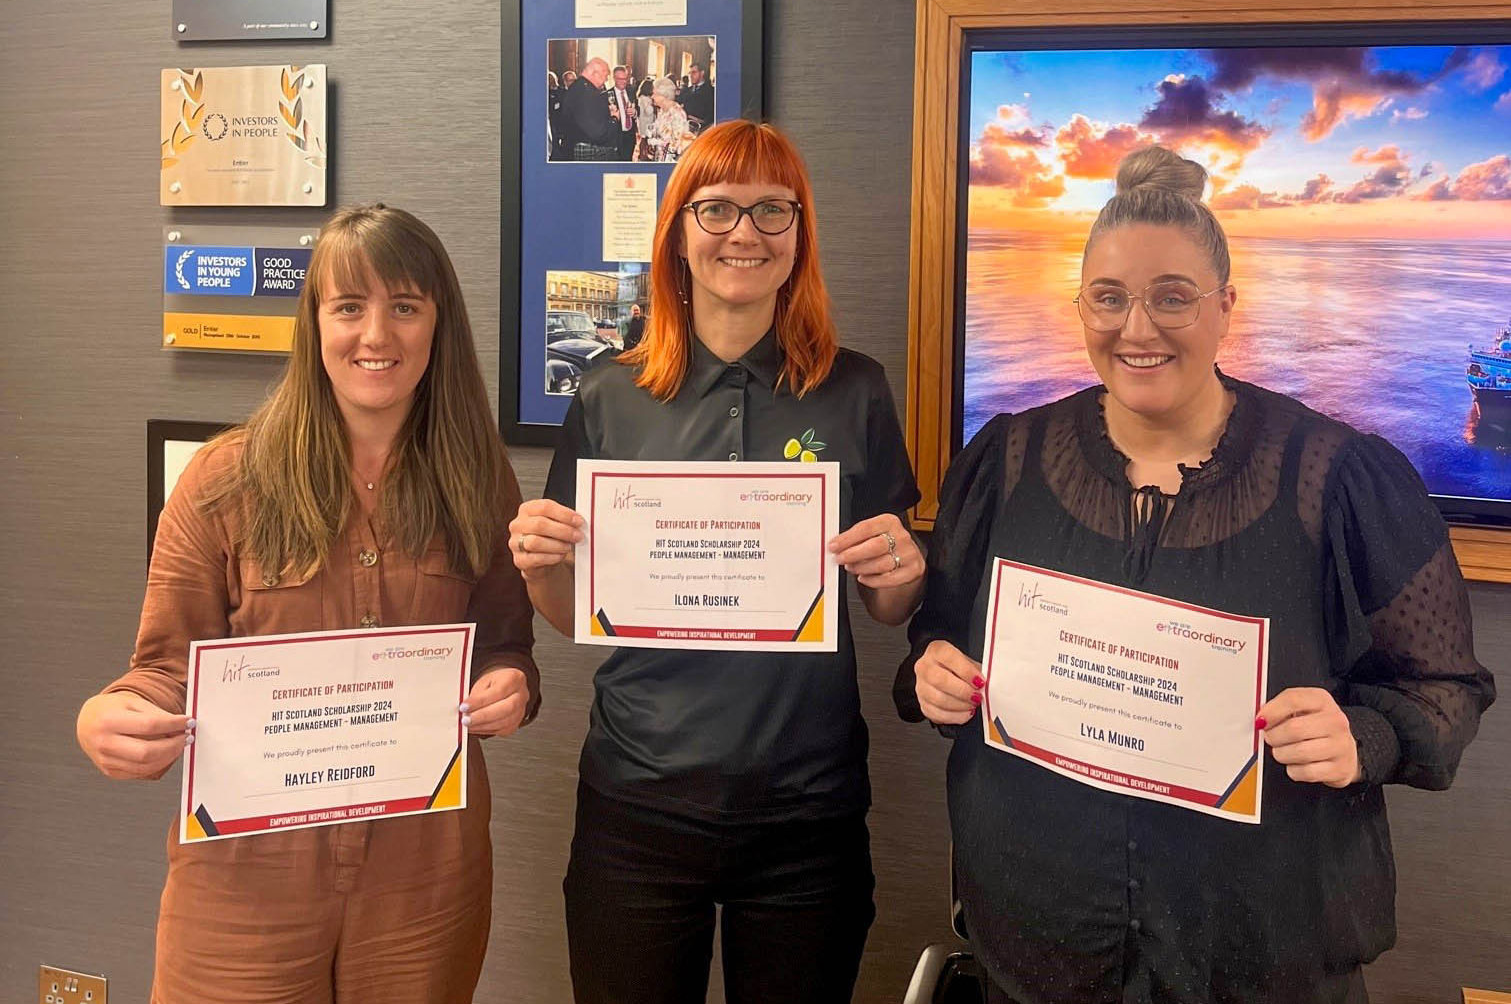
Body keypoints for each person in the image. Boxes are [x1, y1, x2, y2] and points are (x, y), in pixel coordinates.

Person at [898, 145, 1495, 1004]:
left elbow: (1445, 686)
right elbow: (942, 634)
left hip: (1257, 949)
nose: (1136, 328)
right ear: (1078, 305)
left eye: (1172, 297)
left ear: (1224, 306)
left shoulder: (1338, 476)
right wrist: (936, 673)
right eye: (1108, 297)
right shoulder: (1007, 459)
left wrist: (1360, 738)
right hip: (1039, 944)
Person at [76, 204, 540, 1004]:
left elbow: (505, 645)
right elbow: (162, 670)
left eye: (404, 306)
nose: (376, 335)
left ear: (438, 325)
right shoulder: (224, 479)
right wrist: (108, 716)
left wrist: (512, 686)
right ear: (313, 322)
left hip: (423, 884)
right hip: (245, 886)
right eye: (348, 306)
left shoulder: (478, 478)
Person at [508, 120, 925, 1004]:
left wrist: (905, 573)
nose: (745, 232)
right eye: (718, 208)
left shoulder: (856, 388)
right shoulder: (607, 393)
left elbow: (887, 608)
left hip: (807, 807)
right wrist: (541, 563)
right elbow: (571, 608)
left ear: (800, 233)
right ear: (677, 232)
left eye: (773, 209)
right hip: (638, 801)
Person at [558, 58, 620, 162]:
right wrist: (614, 118)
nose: (606, 80)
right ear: (595, 73)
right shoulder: (586, 93)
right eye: (605, 76)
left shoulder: (579, 87)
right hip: (590, 150)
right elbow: (598, 133)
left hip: (582, 146)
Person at [646, 77, 693, 163]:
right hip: (659, 157)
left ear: (664, 95)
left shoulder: (678, 114)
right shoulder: (662, 110)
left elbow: (677, 146)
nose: (652, 96)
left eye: (654, 94)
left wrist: (655, 142)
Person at [607, 64, 638, 161]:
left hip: (630, 136)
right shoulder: (607, 95)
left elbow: (638, 108)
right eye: (620, 79)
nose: (623, 82)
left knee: (628, 164)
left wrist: (635, 112)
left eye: (625, 78)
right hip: (616, 137)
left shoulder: (631, 91)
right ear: (614, 78)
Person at [677, 62, 715, 134]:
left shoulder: (711, 92)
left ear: (702, 73)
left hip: (702, 131)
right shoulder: (686, 91)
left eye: (694, 72)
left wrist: (699, 121)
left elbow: (711, 116)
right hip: (684, 130)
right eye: (690, 73)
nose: (691, 76)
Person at [635, 77, 657, 160]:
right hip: (645, 122)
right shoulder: (644, 98)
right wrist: (653, 105)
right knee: (644, 139)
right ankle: (642, 155)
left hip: (645, 121)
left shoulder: (643, 97)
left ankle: (643, 154)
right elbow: (649, 111)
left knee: (644, 139)